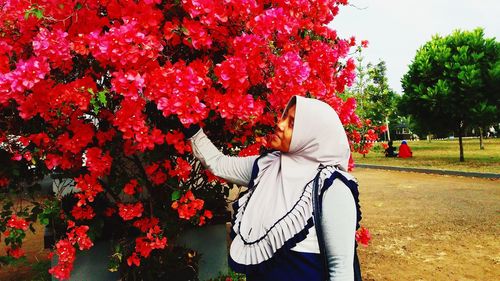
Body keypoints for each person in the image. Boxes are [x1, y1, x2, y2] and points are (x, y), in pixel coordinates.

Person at [185, 96, 363, 281]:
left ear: (310, 136)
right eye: (284, 117)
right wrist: (188, 121)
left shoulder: (332, 187)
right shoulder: (266, 167)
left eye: (292, 123)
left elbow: (340, 270)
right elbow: (219, 163)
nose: (280, 124)